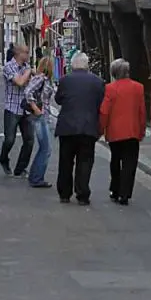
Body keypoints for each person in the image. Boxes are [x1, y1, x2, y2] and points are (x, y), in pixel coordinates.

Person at [54, 51, 105, 205]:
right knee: (85, 161)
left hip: (67, 127)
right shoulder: (98, 82)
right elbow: (101, 102)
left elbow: (58, 99)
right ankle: (82, 193)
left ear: (73, 65)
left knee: (65, 161)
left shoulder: (65, 80)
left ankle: (64, 193)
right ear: (87, 65)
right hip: (88, 127)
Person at [100, 59, 146, 205]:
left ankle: (115, 189)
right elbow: (142, 111)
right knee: (130, 163)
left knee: (115, 160)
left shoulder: (109, 88)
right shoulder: (138, 87)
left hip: (115, 131)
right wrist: (142, 130)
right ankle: (124, 193)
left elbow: (104, 112)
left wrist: (101, 129)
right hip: (132, 130)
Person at [0, 45, 34, 177]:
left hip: (26, 109)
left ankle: (20, 168)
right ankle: (3, 158)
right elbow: (19, 82)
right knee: (10, 140)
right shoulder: (9, 66)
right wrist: (29, 72)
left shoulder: (26, 67)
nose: (28, 55)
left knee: (29, 140)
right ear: (19, 53)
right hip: (12, 108)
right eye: (27, 52)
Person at [25, 56, 55, 189]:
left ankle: (35, 176)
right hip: (40, 116)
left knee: (44, 148)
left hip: (44, 115)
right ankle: (36, 177)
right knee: (46, 148)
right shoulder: (40, 78)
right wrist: (35, 108)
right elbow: (27, 92)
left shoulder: (45, 79)